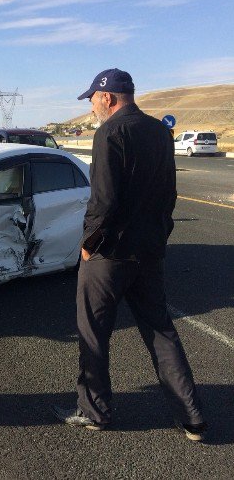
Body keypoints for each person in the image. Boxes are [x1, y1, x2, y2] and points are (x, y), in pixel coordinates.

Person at [50, 69, 207, 441]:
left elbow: (102, 201)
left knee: (93, 332)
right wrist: (160, 233)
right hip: (149, 251)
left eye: (92, 99)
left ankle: (95, 411)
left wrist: (88, 242)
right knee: (160, 331)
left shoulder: (110, 132)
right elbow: (169, 193)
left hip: (111, 254)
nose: (91, 107)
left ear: (108, 97)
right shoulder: (158, 132)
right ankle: (192, 417)